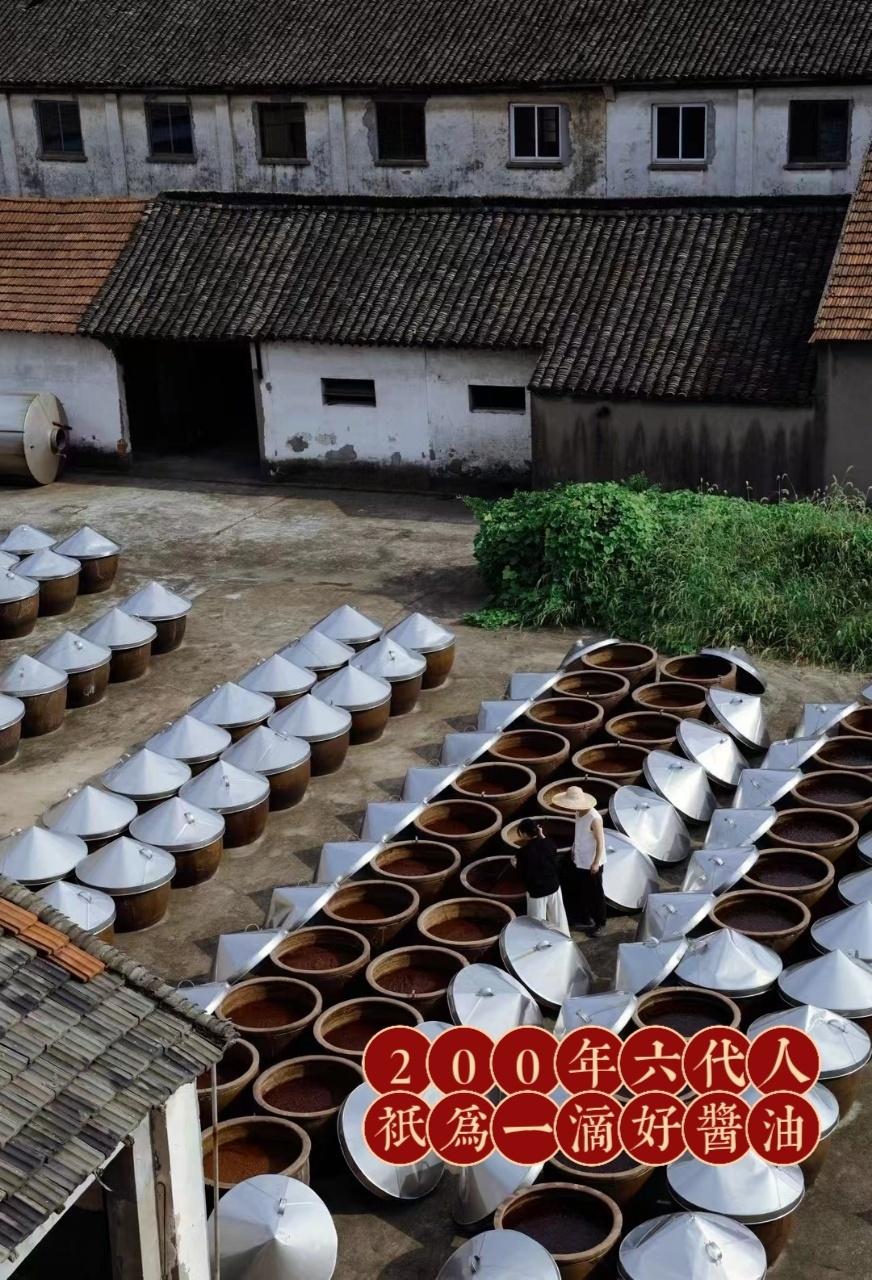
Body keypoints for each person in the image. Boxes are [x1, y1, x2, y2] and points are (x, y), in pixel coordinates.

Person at [552, 785, 607, 935]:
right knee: (582, 889)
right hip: (580, 858)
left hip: (591, 862)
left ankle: (600, 923)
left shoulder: (594, 818)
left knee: (595, 893)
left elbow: (600, 842)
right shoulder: (579, 813)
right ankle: (585, 918)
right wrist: (573, 849)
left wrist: (596, 863)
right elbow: (580, 834)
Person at [513, 817, 570, 935]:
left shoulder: (523, 852)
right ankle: (564, 938)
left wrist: (514, 864)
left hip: (537, 892)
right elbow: (551, 850)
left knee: (537, 924)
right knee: (559, 919)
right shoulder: (549, 843)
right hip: (553, 887)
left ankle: (540, 943)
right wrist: (541, 834)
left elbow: (522, 873)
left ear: (524, 834)